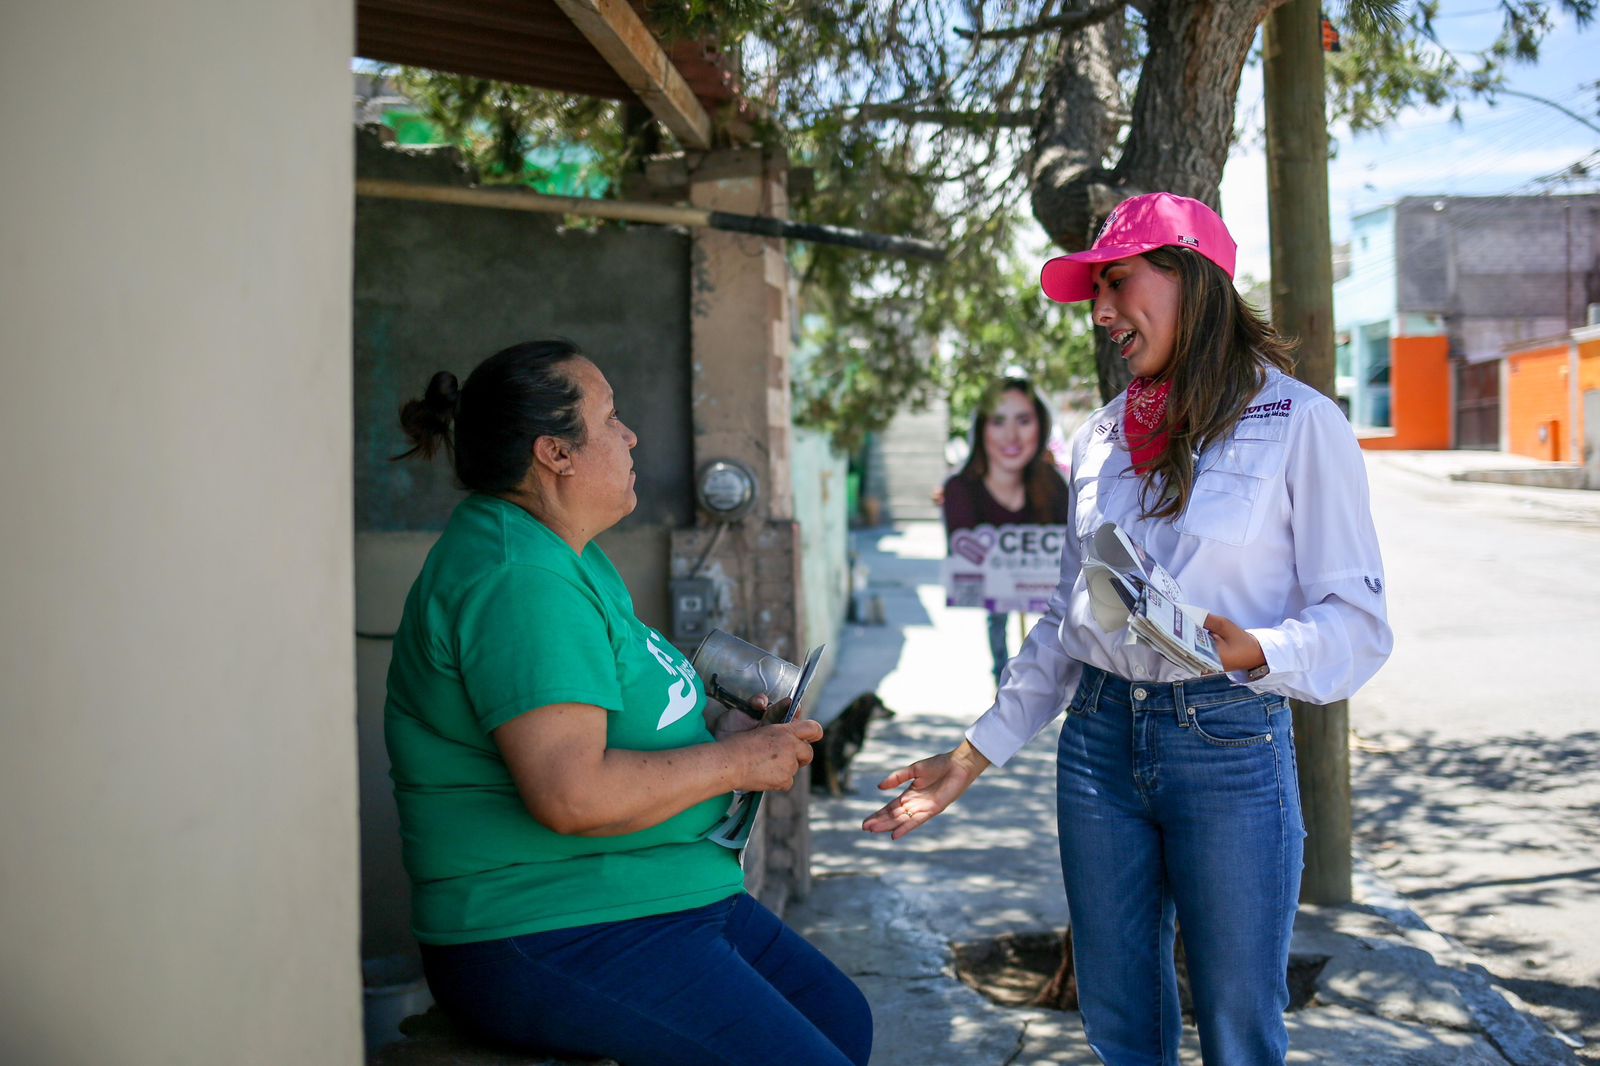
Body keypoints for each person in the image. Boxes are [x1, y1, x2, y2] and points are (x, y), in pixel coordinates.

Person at [865, 193, 1393, 1065]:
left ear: (1189, 274)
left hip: (1227, 741)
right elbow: (1067, 626)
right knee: (1118, 1013)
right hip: (1099, 743)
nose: (1102, 313)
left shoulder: (1301, 425)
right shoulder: (1103, 438)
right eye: (1096, 294)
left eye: (1116, 283)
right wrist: (970, 757)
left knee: (1237, 1019)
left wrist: (1263, 650)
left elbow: (1359, 626)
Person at [385, 339, 871, 1066]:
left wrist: (727, 730)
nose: (631, 434)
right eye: (610, 417)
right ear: (556, 453)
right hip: (555, 923)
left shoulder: (567, 554)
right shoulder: (518, 581)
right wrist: (733, 762)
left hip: (650, 897)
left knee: (842, 1019)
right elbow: (571, 794)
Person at [941, 378, 1071, 685]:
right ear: (983, 429)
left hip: (1039, 586)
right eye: (998, 421)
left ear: (1040, 427)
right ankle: (1002, 677)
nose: (1011, 435)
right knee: (996, 621)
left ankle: (1039, 679)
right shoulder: (961, 489)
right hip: (998, 583)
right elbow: (960, 549)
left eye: (1023, 420)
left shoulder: (1052, 485)